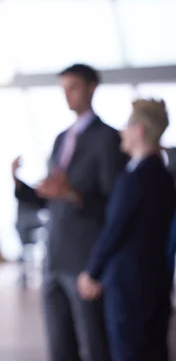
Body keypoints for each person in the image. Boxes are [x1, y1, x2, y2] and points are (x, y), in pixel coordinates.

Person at [12, 64, 127, 361]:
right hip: (55, 255)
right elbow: (54, 198)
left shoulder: (109, 139)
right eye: (63, 88)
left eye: (73, 87)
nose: (67, 95)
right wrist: (21, 186)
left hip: (85, 256)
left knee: (94, 341)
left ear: (91, 88)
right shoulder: (62, 138)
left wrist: (71, 194)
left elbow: (117, 203)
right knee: (60, 344)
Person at [78, 98, 176, 361]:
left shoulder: (133, 179)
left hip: (128, 288)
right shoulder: (166, 178)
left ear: (139, 130)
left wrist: (92, 272)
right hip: (158, 283)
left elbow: (115, 230)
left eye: (126, 125)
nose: (121, 131)